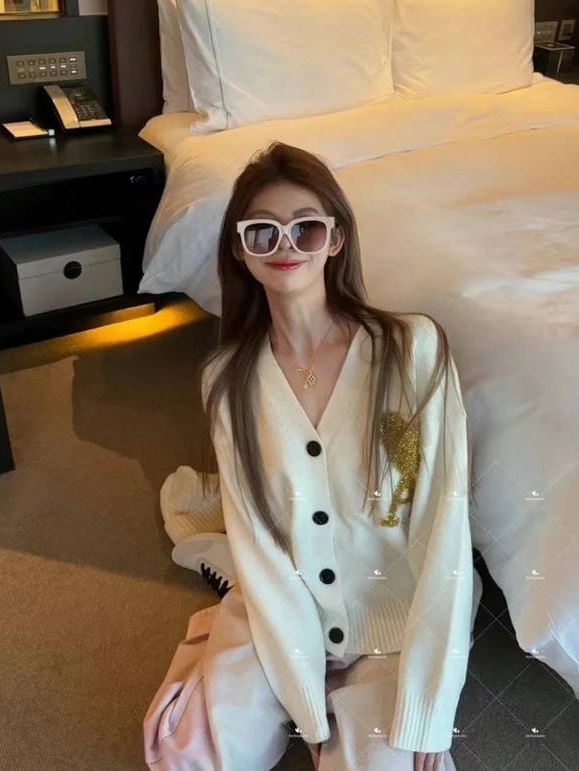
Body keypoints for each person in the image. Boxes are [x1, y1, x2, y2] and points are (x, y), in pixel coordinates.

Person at [143, 141, 481, 770]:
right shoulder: (227, 380)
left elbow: (445, 530)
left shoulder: (413, 350)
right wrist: (305, 702)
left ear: (336, 239)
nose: (286, 245)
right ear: (240, 252)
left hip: (393, 621)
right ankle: (224, 641)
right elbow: (259, 543)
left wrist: (430, 709)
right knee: (187, 759)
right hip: (279, 610)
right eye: (262, 231)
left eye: (306, 227)